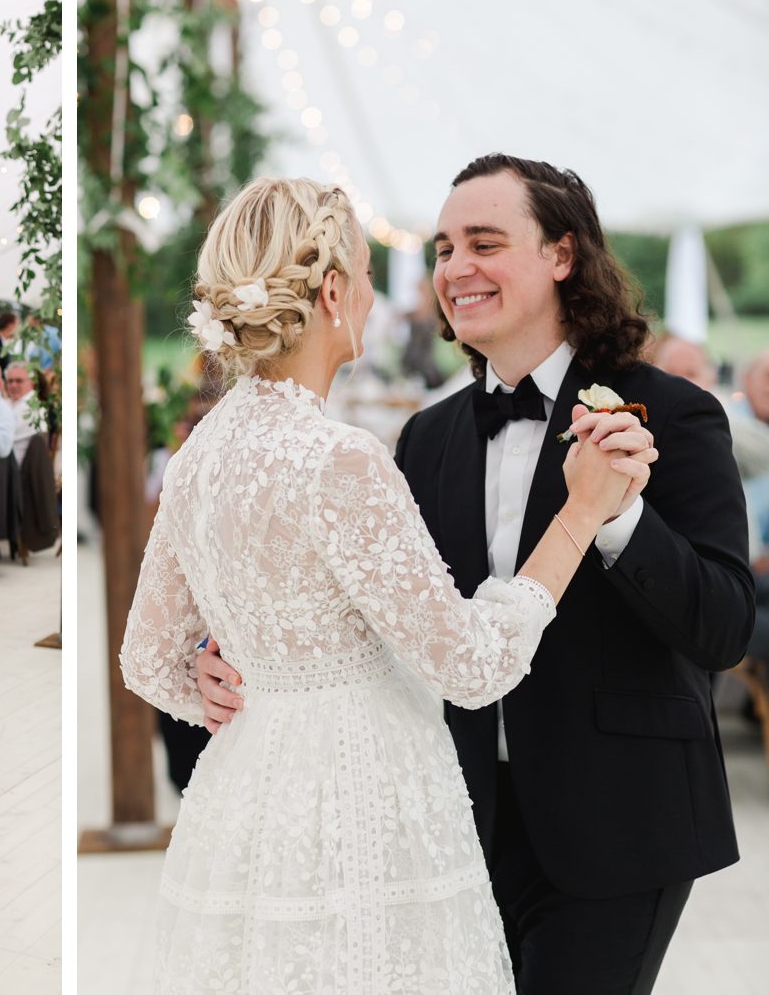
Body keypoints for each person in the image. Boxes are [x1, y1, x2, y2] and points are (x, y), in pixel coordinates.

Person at [197, 158, 753, 993]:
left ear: (563, 255)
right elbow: (384, 613)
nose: (455, 269)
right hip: (455, 820)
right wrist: (227, 644)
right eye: (444, 247)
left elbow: (725, 624)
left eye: (484, 243)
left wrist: (619, 516)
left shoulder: (670, 412)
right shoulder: (426, 437)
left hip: (619, 820)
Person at [4, 361, 38, 466]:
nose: (13, 385)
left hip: (17, 470)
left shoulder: (31, 406)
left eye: (19, 381)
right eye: (10, 381)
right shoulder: (12, 402)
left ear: (31, 383)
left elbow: (2, 438)